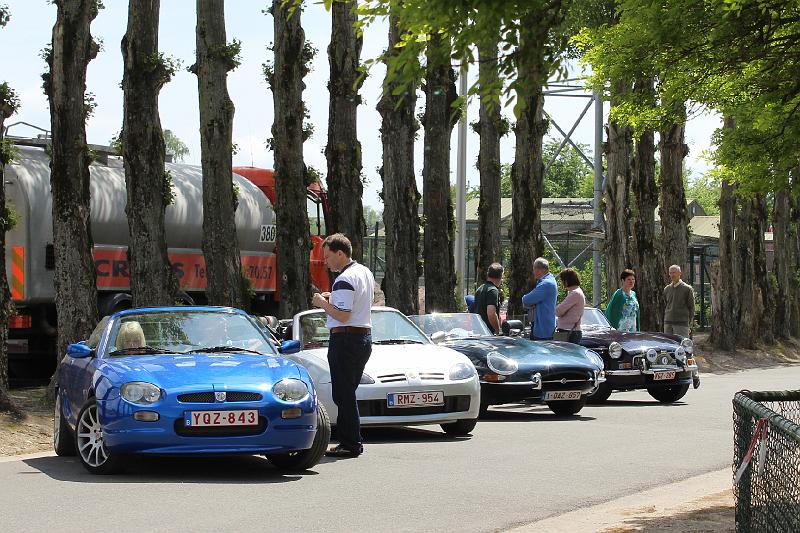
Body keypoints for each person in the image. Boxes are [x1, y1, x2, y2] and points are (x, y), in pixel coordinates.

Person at [311, 233, 375, 458]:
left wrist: (321, 303)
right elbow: (354, 303)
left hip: (346, 338)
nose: (325, 262)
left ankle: (351, 442)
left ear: (340, 253)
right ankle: (351, 441)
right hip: (362, 337)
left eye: (328, 257)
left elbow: (342, 315)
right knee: (347, 391)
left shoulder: (344, 279)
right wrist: (334, 297)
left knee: (343, 393)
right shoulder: (364, 272)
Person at [522, 257, 558, 340]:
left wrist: (526, 299)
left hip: (543, 329)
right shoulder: (549, 281)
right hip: (544, 327)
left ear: (538, 270)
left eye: (534, 269)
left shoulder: (546, 284)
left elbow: (526, 300)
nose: (533, 272)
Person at [555, 268, 586, 343]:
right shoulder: (576, 292)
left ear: (566, 281)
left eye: (562, 280)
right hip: (571, 331)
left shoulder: (575, 294)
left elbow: (559, 311)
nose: (561, 283)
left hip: (569, 332)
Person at [663, 264, 695, 338]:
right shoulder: (667, 289)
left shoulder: (687, 289)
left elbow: (692, 308)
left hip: (681, 324)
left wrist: (689, 325)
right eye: (670, 273)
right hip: (668, 323)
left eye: (674, 272)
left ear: (680, 273)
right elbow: (666, 305)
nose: (672, 275)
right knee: (668, 346)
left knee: (682, 346)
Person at [472, 263, 503, 334]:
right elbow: (491, 313)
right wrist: (497, 330)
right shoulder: (493, 290)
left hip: (478, 331)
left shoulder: (480, 288)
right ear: (501, 276)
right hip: (488, 334)